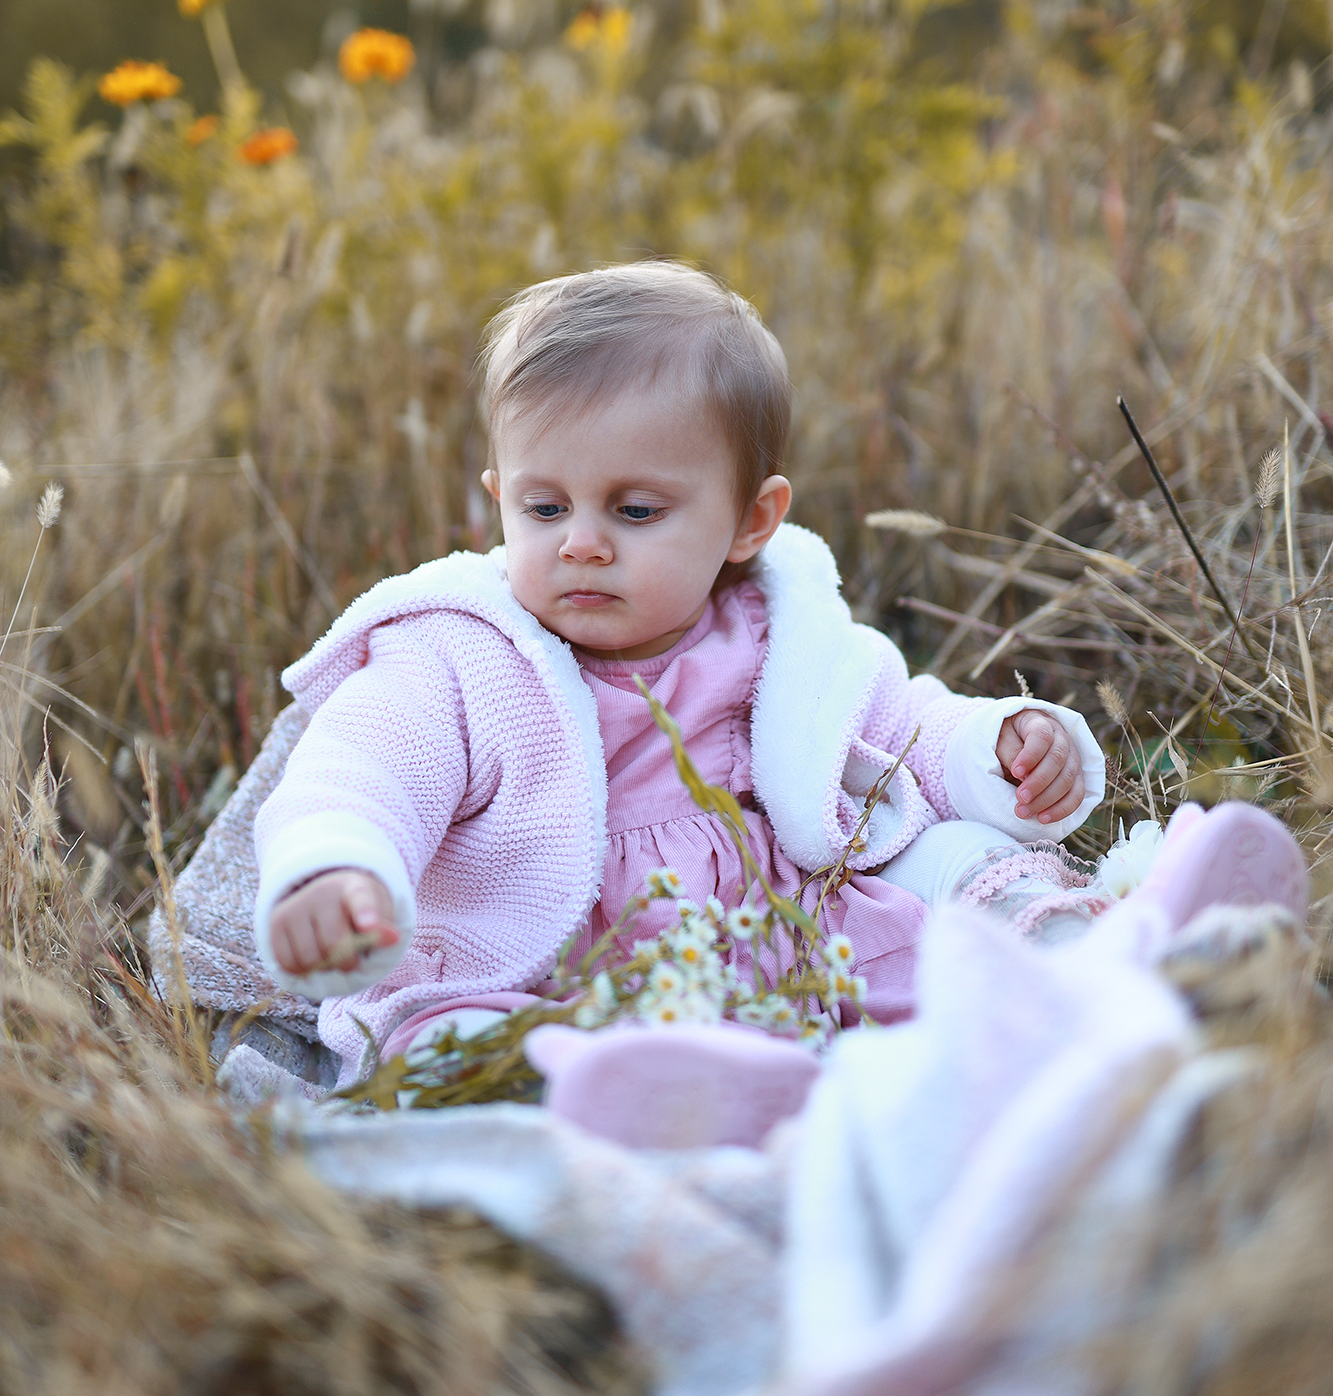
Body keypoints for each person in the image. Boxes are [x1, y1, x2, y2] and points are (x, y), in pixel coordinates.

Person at [180, 263, 1304, 1091]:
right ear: (498, 495)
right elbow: (362, 768)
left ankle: (1122, 952)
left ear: (747, 520)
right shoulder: (463, 656)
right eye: (543, 505)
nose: (579, 540)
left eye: (633, 509)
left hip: (783, 941)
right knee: (457, 1047)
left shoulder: (777, 636)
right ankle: (611, 1104)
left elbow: (899, 726)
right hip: (557, 963)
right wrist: (340, 869)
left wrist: (1000, 746)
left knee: (959, 865)